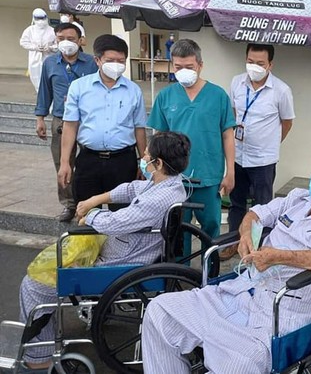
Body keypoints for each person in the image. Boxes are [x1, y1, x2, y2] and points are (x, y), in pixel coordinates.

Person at [141, 146, 311, 374]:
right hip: (241, 290)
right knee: (160, 312)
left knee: (237, 365)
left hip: (283, 310)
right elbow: (256, 213)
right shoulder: (299, 198)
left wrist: (279, 257)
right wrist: (247, 234)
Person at [19, 131, 190, 370]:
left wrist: (90, 215)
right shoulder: (167, 184)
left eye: (147, 154)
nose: (143, 158)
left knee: (34, 285)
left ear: (158, 163)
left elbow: (116, 222)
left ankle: (39, 358)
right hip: (122, 248)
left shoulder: (159, 199)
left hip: (120, 262)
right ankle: (43, 343)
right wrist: (95, 199)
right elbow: (131, 189)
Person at [147, 39, 236, 241]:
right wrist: (154, 169)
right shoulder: (166, 96)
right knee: (177, 230)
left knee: (211, 227)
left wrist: (230, 172)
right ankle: (181, 263)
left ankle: (210, 262)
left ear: (200, 65)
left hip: (209, 175)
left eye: (189, 67)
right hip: (174, 177)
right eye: (178, 67)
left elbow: (227, 135)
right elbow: (158, 137)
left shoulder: (218, 95)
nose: (183, 71)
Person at [222, 43, 295, 260]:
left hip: (263, 160)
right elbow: (233, 113)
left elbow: (287, 122)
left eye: (260, 63)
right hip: (238, 155)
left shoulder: (281, 90)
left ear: (270, 65)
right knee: (236, 203)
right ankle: (233, 242)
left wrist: (271, 143)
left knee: (262, 206)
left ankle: (258, 246)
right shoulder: (236, 82)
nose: (254, 67)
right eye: (250, 62)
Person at [57, 34, 147, 208]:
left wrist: (144, 163)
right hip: (89, 160)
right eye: (110, 60)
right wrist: (65, 162)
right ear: (97, 60)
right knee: (87, 212)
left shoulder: (134, 90)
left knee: (123, 214)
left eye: (121, 61)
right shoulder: (79, 87)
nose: (116, 65)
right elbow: (70, 126)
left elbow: (139, 128)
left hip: (123, 162)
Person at [35, 23, 97, 222]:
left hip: (88, 119)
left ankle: (89, 203)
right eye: (61, 38)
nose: (66, 42)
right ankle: (69, 204)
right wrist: (40, 118)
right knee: (62, 163)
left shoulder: (92, 63)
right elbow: (45, 91)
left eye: (71, 39)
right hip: (61, 119)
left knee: (90, 162)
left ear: (80, 40)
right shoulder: (50, 63)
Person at [19, 8, 56, 93]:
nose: (41, 21)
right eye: (38, 19)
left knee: (49, 79)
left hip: (49, 58)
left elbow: (58, 44)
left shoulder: (52, 30)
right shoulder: (29, 30)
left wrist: (50, 48)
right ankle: (40, 95)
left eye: (42, 18)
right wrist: (35, 47)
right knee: (36, 79)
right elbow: (23, 42)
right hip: (35, 59)